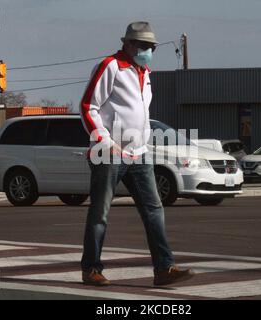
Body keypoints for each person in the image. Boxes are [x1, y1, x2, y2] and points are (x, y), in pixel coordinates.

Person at [79, 21, 194, 286]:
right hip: (109, 153)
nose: (147, 50)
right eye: (142, 45)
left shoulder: (145, 72)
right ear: (128, 44)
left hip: (139, 154)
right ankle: (91, 269)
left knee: (154, 210)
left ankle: (164, 269)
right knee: (100, 213)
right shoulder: (111, 66)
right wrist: (105, 141)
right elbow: (88, 106)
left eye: (151, 47)